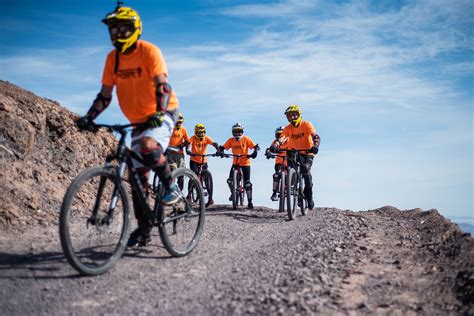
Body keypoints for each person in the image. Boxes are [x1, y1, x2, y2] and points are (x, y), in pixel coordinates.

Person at [76, 5, 180, 247]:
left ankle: (170, 185)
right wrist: (89, 117)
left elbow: (162, 87)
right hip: (136, 120)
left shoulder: (149, 51)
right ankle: (144, 230)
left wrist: (159, 112)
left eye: (123, 29)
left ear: (135, 29)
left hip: (162, 111)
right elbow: (104, 96)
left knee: (148, 145)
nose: (117, 34)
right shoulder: (112, 59)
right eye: (114, 30)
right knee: (137, 180)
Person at [272, 105, 320, 210]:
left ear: (299, 114)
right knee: (291, 173)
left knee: (305, 169)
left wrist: (315, 146)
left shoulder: (306, 124)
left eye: (294, 114)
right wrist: (274, 146)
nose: (292, 117)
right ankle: (293, 188)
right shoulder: (288, 128)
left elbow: (315, 136)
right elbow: (281, 139)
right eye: (289, 116)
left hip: (307, 152)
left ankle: (309, 195)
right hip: (293, 152)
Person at [218, 123, 259, 209]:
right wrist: (220, 152)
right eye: (235, 132)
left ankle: (250, 202)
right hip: (235, 163)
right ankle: (233, 193)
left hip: (245, 163)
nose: (237, 134)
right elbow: (222, 147)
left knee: (247, 184)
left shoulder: (246, 139)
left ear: (242, 132)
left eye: (239, 132)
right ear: (232, 132)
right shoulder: (231, 140)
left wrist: (255, 152)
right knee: (230, 181)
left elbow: (256, 147)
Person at [186, 123, 219, 207]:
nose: (200, 134)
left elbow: (214, 143)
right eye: (198, 132)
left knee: (207, 179)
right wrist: (188, 150)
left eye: (202, 132)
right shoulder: (192, 138)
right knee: (193, 176)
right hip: (194, 160)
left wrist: (218, 149)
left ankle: (210, 198)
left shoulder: (206, 138)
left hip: (203, 160)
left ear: (204, 132)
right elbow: (188, 145)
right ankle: (189, 195)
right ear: (195, 132)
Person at [266, 126, 288, 201]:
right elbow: (270, 149)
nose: (280, 137)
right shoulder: (275, 142)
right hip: (279, 163)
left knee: (290, 175)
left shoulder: (290, 140)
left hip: (289, 162)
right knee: (276, 175)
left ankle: (290, 188)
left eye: (281, 135)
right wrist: (268, 153)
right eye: (278, 135)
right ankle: (274, 193)